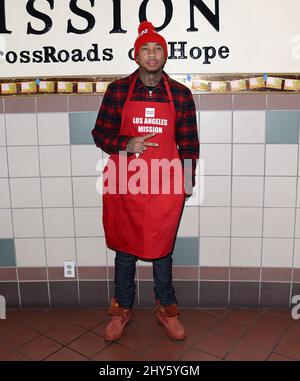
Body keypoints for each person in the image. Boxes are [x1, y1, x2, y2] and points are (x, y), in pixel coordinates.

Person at [92, 20, 199, 342]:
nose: (152, 54)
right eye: (145, 49)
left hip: (165, 183)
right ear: (135, 55)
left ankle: (166, 307)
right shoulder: (118, 90)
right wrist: (127, 144)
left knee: (161, 248)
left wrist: (188, 182)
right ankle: (122, 307)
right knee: (125, 249)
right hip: (126, 181)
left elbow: (190, 143)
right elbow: (100, 133)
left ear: (165, 56)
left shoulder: (180, 94)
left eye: (158, 49)